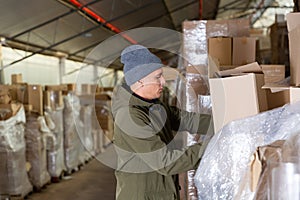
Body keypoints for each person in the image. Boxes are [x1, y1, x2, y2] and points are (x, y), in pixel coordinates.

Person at [111, 44, 212, 200]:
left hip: (159, 191)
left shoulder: (152, 104)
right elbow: (166, 162)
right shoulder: (129, 117)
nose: (164, 82)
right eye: (158, 77)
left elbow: (184, 119)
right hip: (143, 195)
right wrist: (212, 145)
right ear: (140, 81)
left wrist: (223, 122)